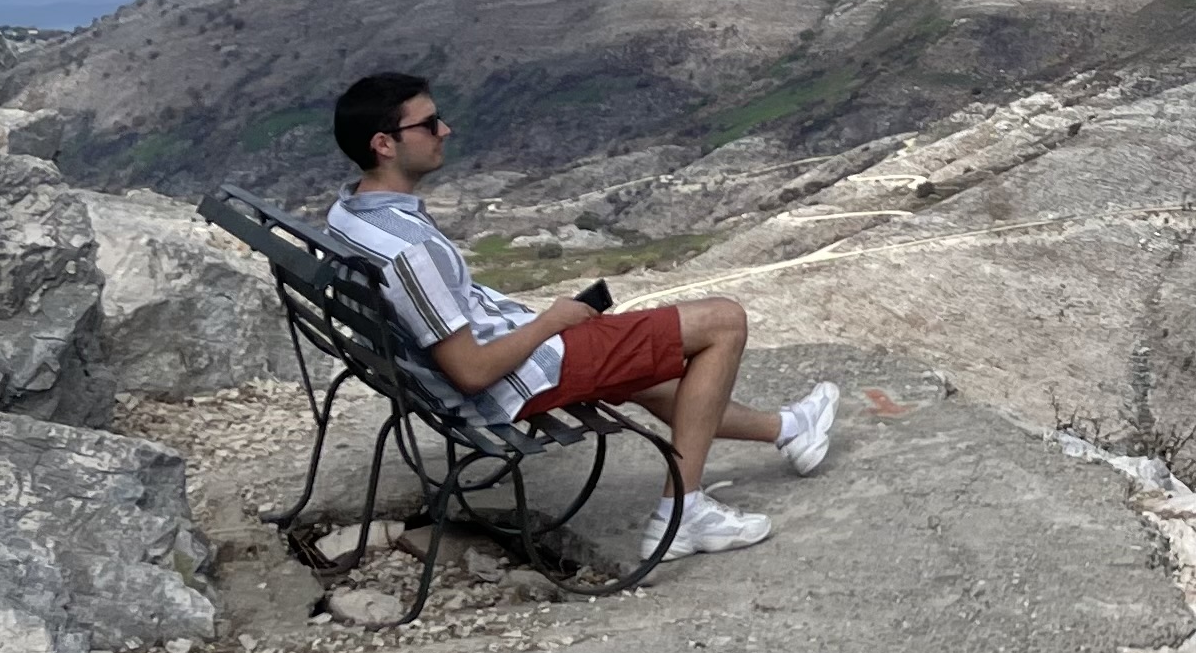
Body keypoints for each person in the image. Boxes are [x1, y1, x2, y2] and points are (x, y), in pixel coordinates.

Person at [321, 71, 836, 558]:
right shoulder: (410, 249)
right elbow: (471, 372)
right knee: (723, 321)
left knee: (645, 369)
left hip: (467, 368)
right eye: (430, 123)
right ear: (384, 144)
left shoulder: (350, 216)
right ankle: (683, 512)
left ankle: (788, 429)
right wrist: (550, 323)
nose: (445, 130)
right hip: (516, 379)